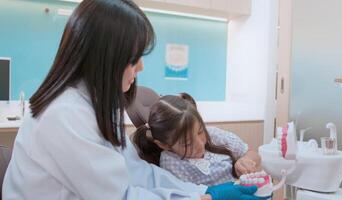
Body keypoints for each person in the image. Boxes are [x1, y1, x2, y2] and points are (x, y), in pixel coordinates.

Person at [2, 0, 266, 200]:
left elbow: (137, 172)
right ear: (105, 59)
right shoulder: (64, 115)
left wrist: (199, 190)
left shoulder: (99, 106)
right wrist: (206, 197)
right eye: (133, 58)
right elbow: (121, 195)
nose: (140, 67)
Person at [132, 93, 261, 186]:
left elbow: (253, 153)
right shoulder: (171, 163)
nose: (200, 144)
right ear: (164, 145)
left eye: (200, 131)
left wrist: (246, 161)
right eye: (187, 143)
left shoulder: (214, 134)